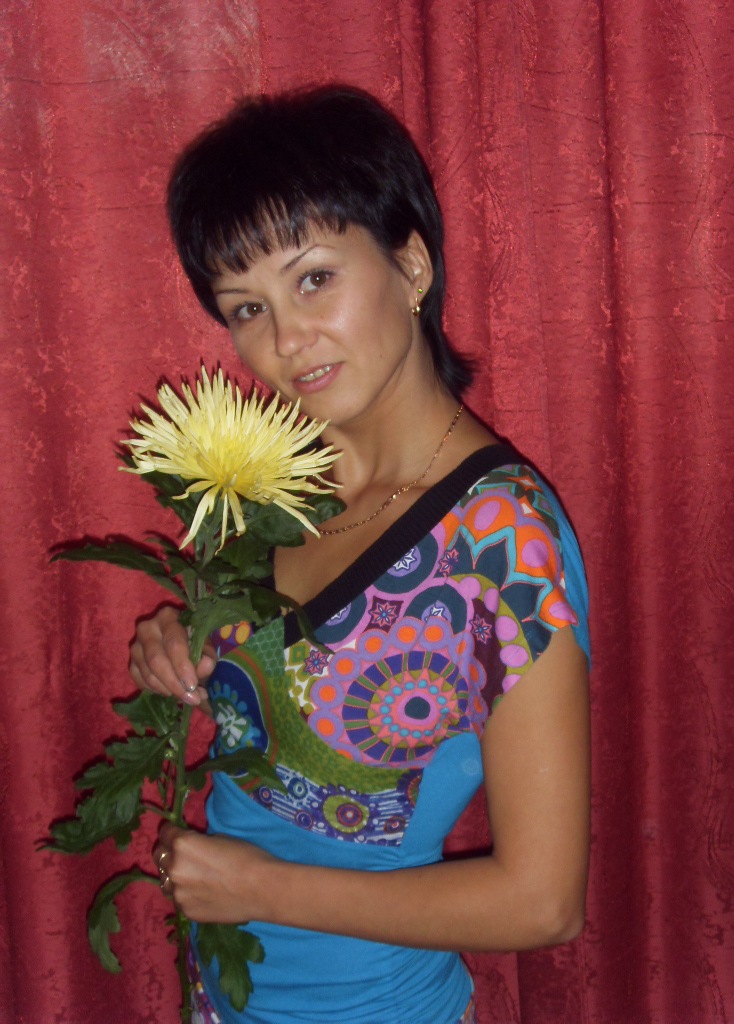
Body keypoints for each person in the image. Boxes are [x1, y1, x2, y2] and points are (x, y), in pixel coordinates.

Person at [130, 85, 591, 1024]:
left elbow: (545, 903)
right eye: (246, 307)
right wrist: (178, 645)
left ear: (410, 264)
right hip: (223, 998)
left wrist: (259, 889)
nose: (285, 341)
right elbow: (279, 701)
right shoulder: (269, 487)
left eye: (313, 280)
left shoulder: (504, 542)